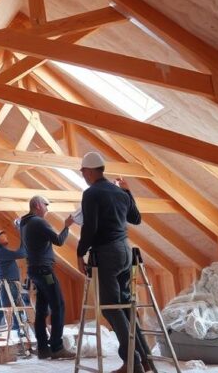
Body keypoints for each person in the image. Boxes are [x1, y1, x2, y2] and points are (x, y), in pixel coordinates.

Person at [75, 151, 149, 373]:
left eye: (83, 173)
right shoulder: (120, 192)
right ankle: (144, 360)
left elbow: (90, 228)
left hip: (107, 253)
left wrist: (80, 253)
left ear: (89, 171)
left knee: (110, 308)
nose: (83, 176)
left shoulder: (91, 193)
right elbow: (136, 218)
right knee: (125, 308)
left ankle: (132, 363)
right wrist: (128, 191)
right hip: (126, 252)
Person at [20, 195, 76, 360]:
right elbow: (58, 241)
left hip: (34, 270)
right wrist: (67, 226)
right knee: (59, 305)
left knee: (42, 310)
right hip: (45, 271)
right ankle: (57, 347)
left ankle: (43, 349)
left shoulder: (25, 223)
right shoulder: (38, 222)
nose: (47, 208)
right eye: (46, 205)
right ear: (37, 205)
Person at [0, 228, 29, 351]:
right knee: (15, 312)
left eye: (5, 235)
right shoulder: (0, 253)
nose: (5, 237)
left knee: (0, 314)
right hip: (8, 287)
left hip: (5, 286)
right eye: (1, 237)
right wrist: (23, 235)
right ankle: (20, 339)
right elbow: (22, 253)